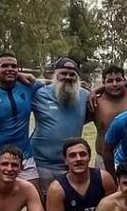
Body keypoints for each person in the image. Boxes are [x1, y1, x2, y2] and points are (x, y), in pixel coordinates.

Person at [0, 52, 44, 180]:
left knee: (34, 196)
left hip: (24, 157)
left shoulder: (27, 87)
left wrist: (80, 84)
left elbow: (49, 84)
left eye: (13, 66)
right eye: (4, 66)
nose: (10, 69)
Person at [31, 58, 91, 197]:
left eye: (72, 74)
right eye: (63, 73)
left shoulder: (85, 96)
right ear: (55, 74)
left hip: (71, 165)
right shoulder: (40, 93)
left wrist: (96, 90)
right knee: (39, 206)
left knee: (68, 205)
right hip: (41, 163)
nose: (68, 77)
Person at [46, 138, 116, 211]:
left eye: (82, 154)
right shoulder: (57, 189)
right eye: (72, 155)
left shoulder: (104, 179)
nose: (78, 159)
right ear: (65, 160)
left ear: (89, 157)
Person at [92, 64, 127, 168]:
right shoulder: (95, 102)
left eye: (118, 80)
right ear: (103, 83)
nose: (114, 84)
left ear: (125, 80)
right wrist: (93, 92)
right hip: (103, 160)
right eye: (110, 81)